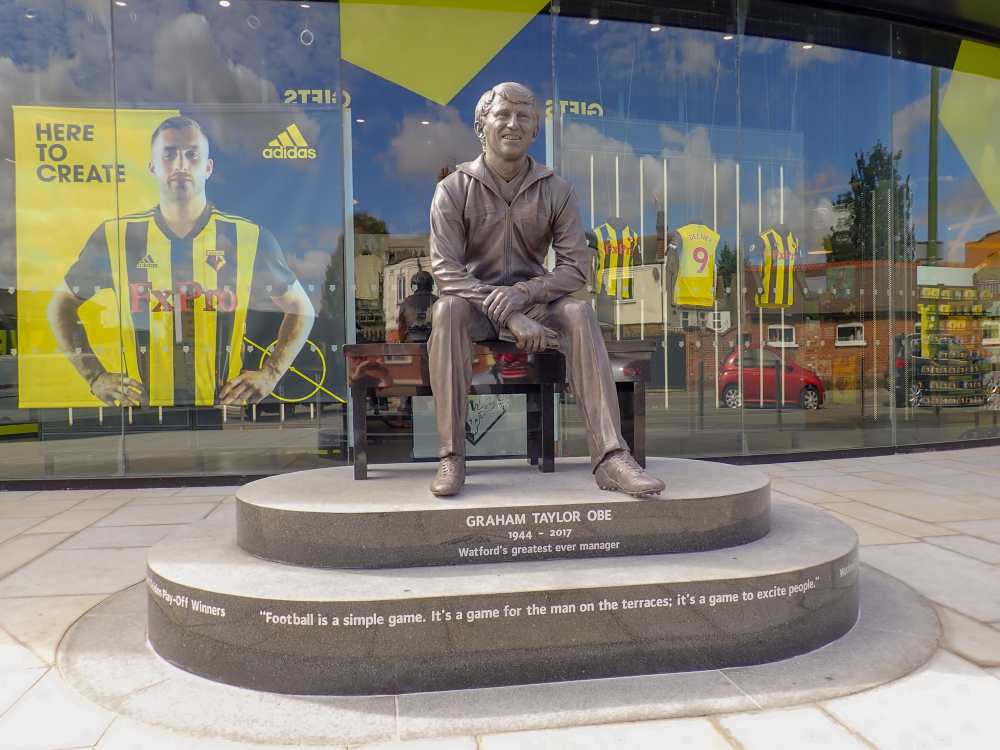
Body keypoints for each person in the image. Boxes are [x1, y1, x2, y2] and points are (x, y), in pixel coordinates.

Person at [427, 82, 665, 498]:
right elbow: (446, 271)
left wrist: (525, 295)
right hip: (476, 307)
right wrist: (508, 312)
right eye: (503, 115)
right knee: (445, 311)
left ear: (536, 130)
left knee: (579, 312)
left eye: (525, 118)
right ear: (481, 125)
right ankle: (452, 456)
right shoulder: (453, 189)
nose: (513, 125)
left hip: (533, 303)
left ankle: (611, 458)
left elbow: (576, 267)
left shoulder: (558, 190)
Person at [47, 116, 315, 408]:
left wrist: (271, 373)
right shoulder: (115, 236)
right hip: (139, 410)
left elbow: (300, 307)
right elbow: (60, 304)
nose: (181, 165)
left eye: (192, 155)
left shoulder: (250, 237)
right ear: (153, 167)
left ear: (208, 167)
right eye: (169, 154)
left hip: (225, 410)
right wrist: (95, 376)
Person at [397, 270, 437, 343]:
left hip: (412, 347)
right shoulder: (438, 302)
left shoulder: (406, 303)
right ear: (431, 285)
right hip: (435, 345)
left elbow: (401, 330)